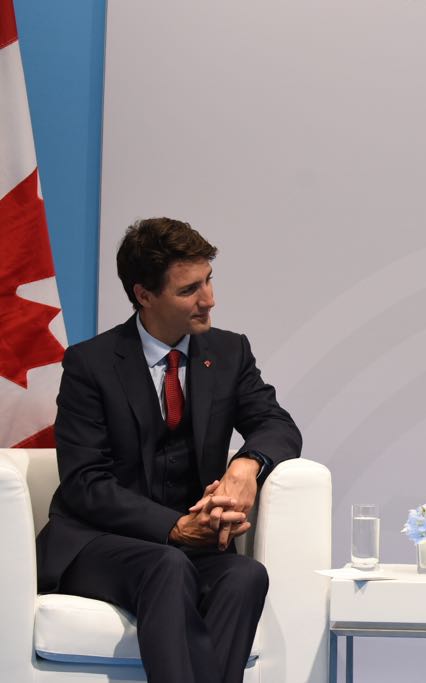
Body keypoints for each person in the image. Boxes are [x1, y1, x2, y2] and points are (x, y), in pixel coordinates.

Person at [35, 218, 302, 683]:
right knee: (167, 564)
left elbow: (277, 425)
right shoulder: (90, 364)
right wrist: (174, 528)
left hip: (190, 549)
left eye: (209, 280)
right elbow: (84, 483)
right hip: (97, 545)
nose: (209, 299)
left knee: (245, 576)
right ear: (144, 295)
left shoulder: (230, 352)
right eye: (189, 290)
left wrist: (247, 464)